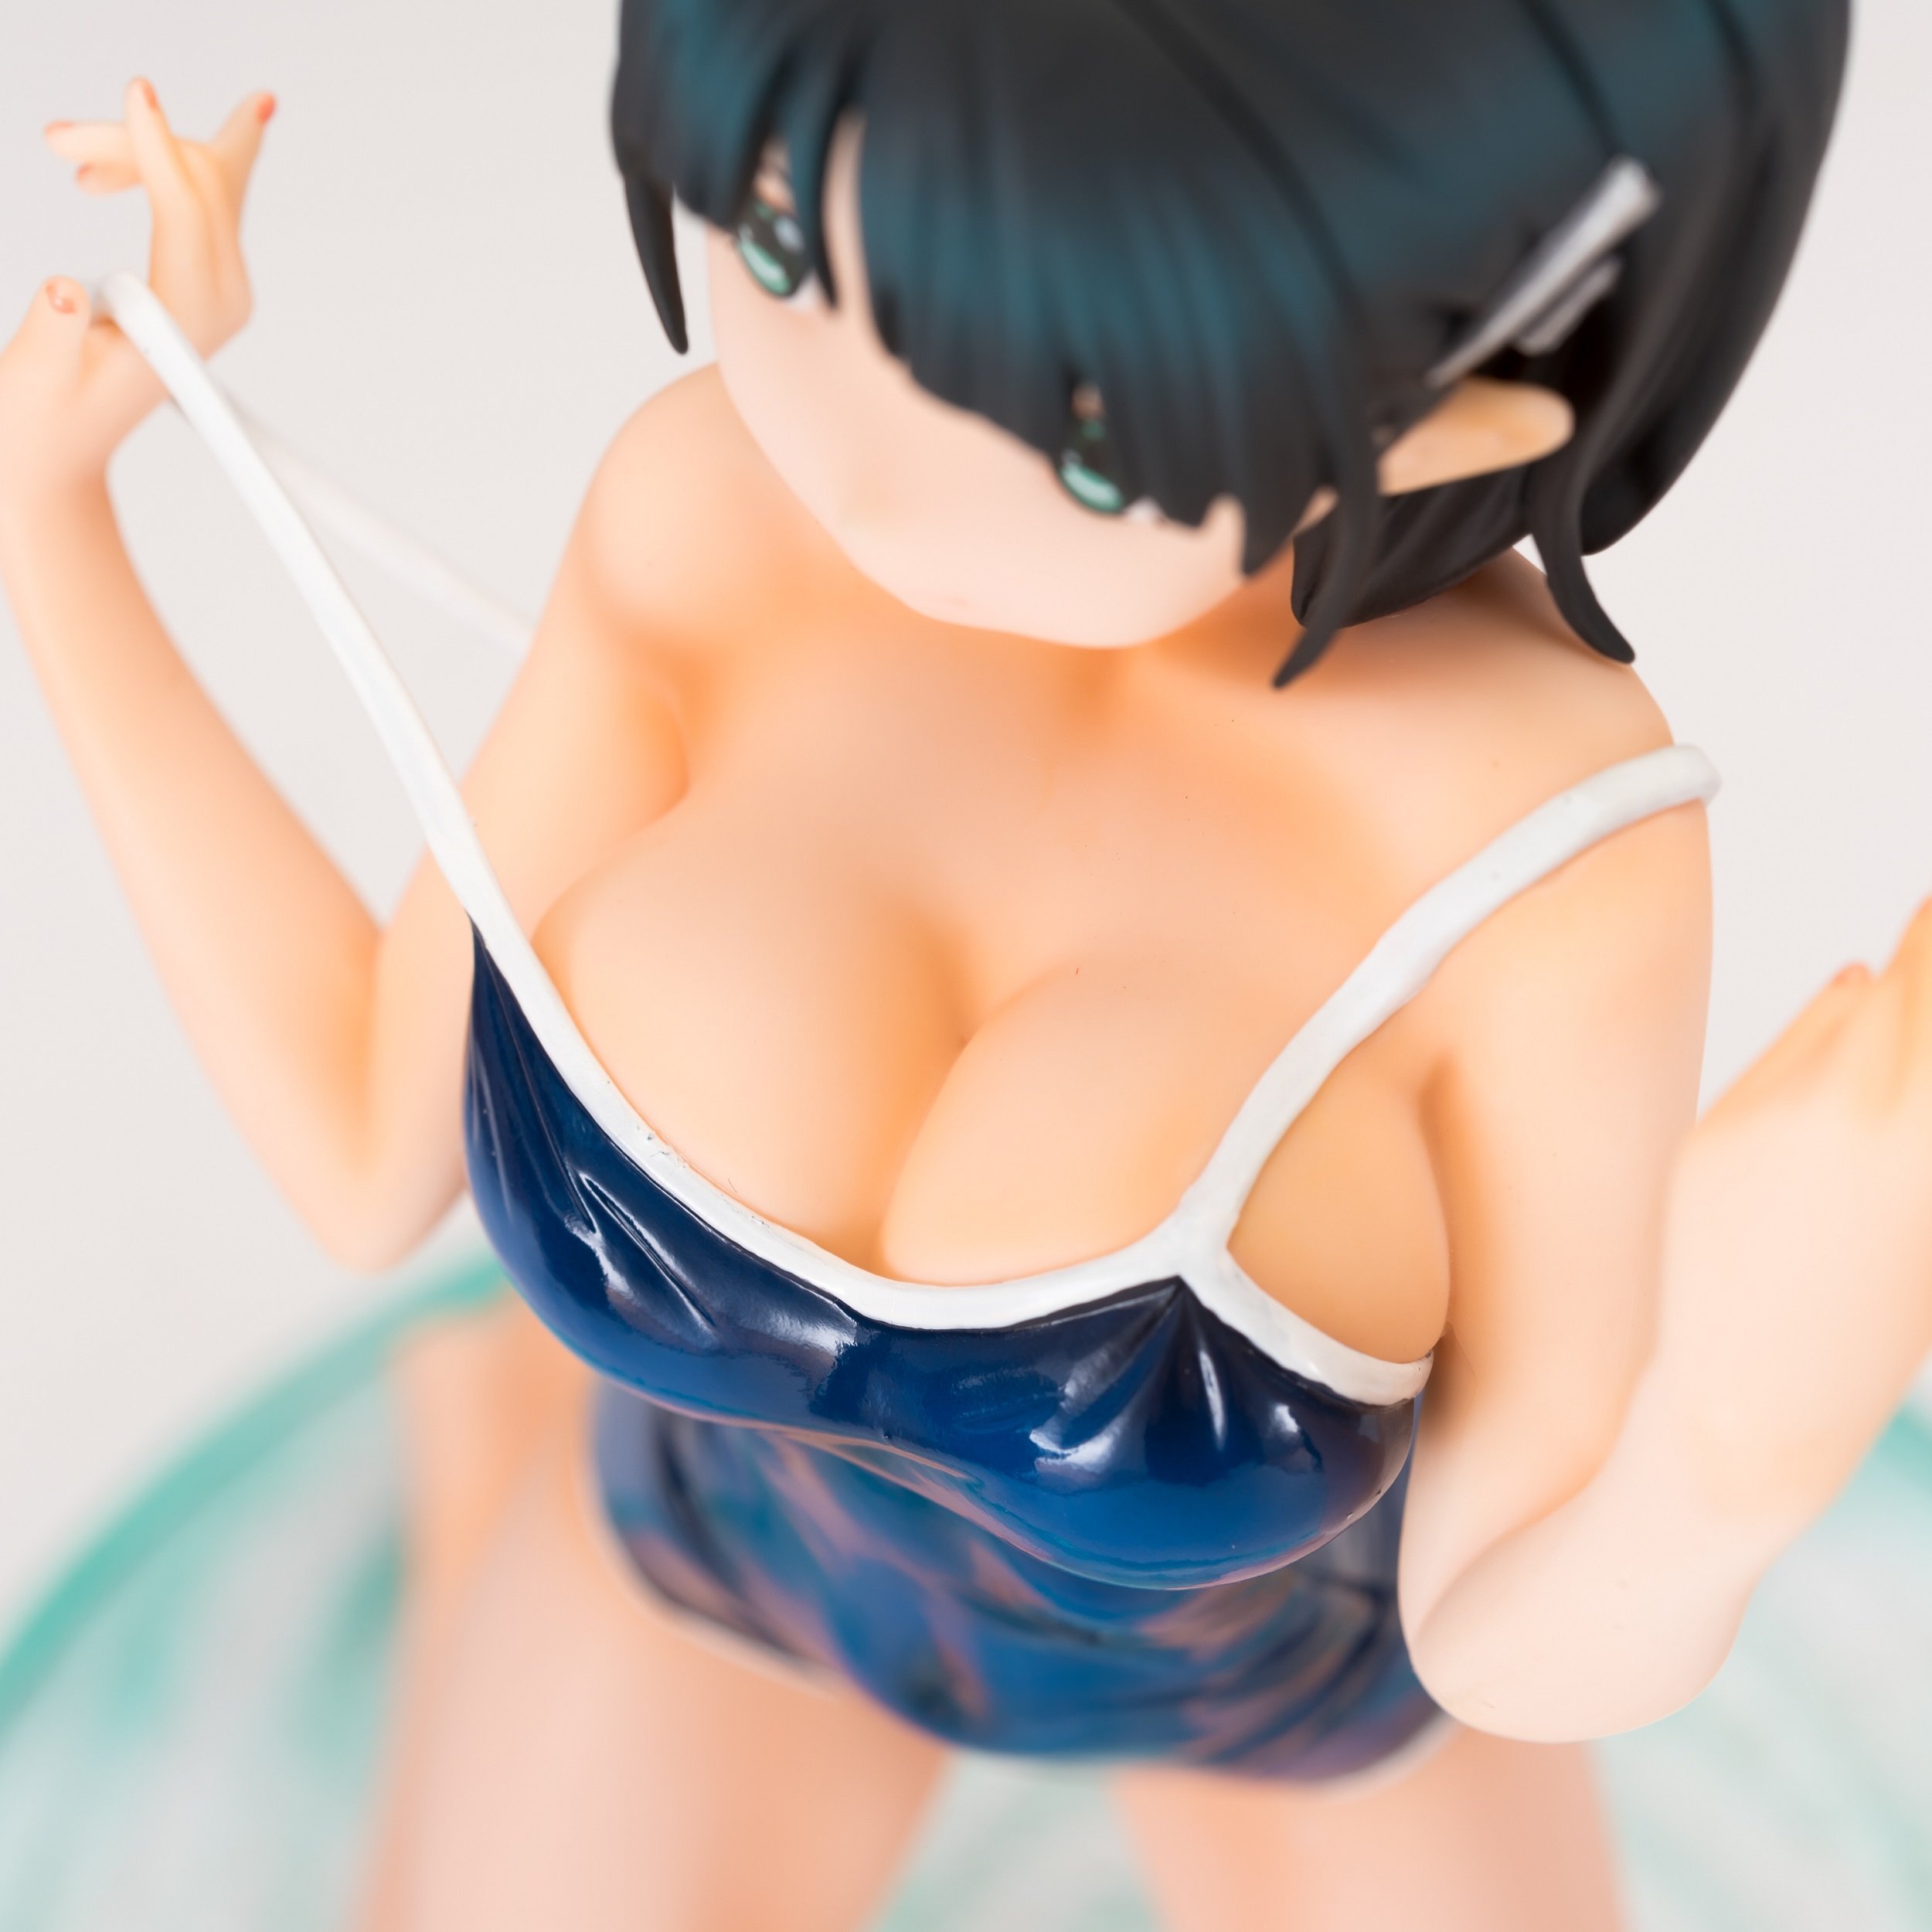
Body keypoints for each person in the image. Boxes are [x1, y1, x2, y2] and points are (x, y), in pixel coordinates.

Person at [2, 3, 1925, 1928]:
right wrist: (54, 521)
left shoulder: (1527, 845)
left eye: (1084, 435)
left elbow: (1499, 1622)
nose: (863, 464)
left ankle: (486, 1416)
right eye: (778, 244)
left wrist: (1735, 1429)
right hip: (711, 1573)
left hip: (1281, 1705)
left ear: (1448, 413)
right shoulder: (710, 516)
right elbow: (365, 1139)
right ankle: (497, 1427)